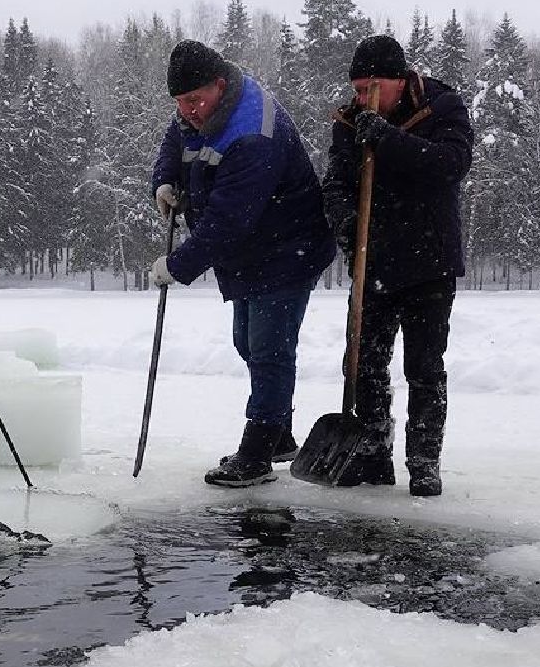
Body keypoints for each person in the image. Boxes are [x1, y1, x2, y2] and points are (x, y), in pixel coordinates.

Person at [148, 39, 336, 487]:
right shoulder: (203, 107)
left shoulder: (252, 132)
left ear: (218, 84)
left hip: (287, 248)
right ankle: (280, 434)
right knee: (247, 342)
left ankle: (257, 452)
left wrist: (176, 266)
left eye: (194, 100)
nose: (188, 110)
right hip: (254, 250)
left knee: (269, 348)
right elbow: (178, 137)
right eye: (180, 102)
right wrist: (166, 179)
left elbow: (227, 221)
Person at [321, 34, 474, 497]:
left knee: (424, 367)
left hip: (430, 262)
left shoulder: (442, 107)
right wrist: (346, 222)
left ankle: (424, 461)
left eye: (373, 86)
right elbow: (336, 183)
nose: (364, 96)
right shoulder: (349, 121)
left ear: (398, 79)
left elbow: (450, 165)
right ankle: (372, 452)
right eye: (357, 86)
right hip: (374, 263)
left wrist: (388, 140)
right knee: (364, 363)